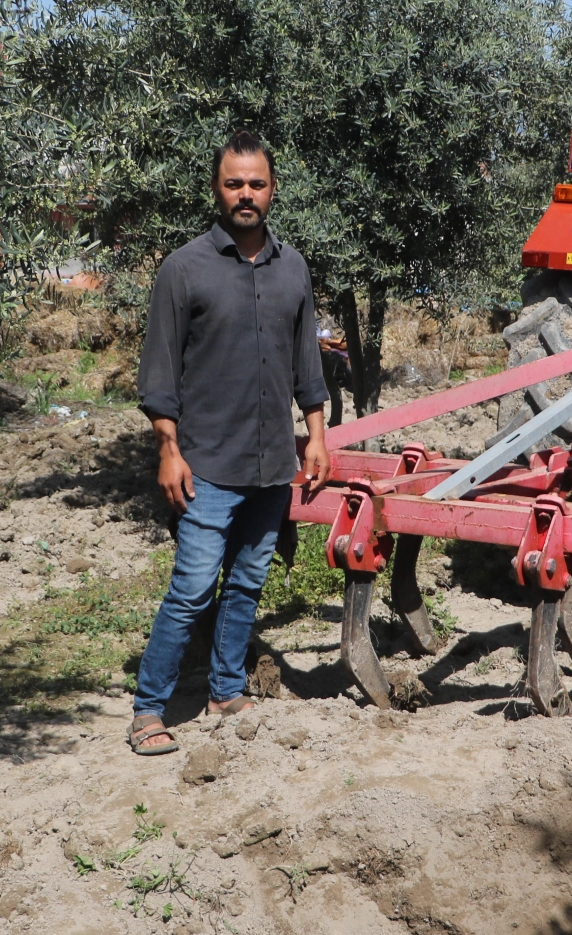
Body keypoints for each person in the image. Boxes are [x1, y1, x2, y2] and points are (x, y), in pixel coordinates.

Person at [126, 130, 331, 756]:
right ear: (217, 189)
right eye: (234, 183)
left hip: (272, 464)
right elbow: (158, 374)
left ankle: (224, 689)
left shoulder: (292, 266)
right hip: (207, 463)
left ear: (273, 190)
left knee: (246, 584)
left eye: (257, 184)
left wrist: (316, 437)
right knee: (191, 588)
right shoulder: (183, 269)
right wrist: (169, 448)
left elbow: (306, 364)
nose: (246, 194)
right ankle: (148, 710)